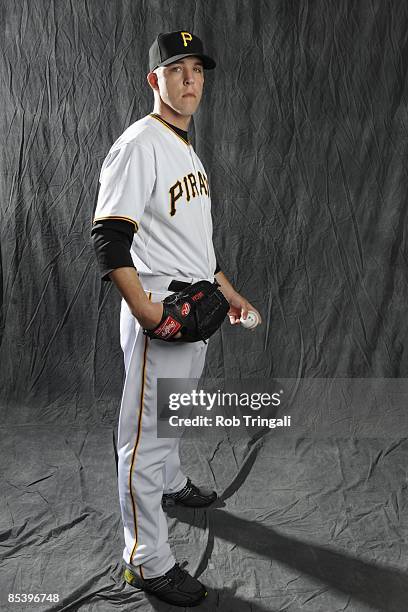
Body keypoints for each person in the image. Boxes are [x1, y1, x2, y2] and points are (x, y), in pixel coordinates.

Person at [91, 30, 262, 607]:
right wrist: (146, 311)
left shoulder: (184, 146)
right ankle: (146, 561)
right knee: (140, 441)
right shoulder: (139, 144)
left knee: (173, 412)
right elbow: (109, 237)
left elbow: (198, 247)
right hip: (164, 311)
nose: (190, 78)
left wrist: (231, 294)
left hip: (198, 304)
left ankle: (170, 482)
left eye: (197, 69)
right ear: (154, 80)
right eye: (177, 69)